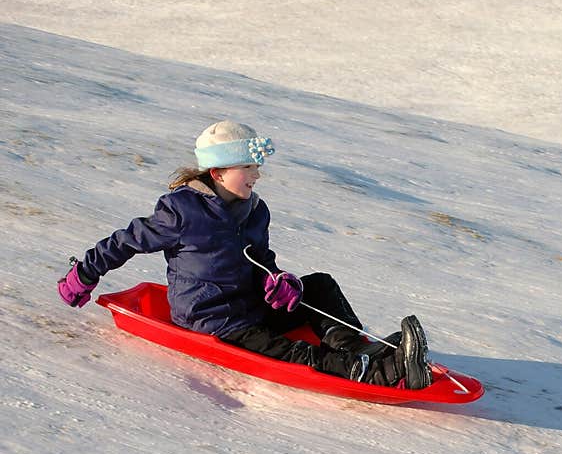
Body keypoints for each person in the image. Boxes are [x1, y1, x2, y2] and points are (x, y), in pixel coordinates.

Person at [56, 120, 432, 389]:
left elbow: (259, 257)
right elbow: (123, 242)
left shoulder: (255, 209)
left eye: (257, 167)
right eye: (248, 167)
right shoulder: (180, 211)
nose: (257, 175)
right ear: (218, 173)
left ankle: (363, 351)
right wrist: (85, 274)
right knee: (286, 351)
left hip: (250, 303)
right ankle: (370, 372)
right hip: (214, 318)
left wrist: (277, 278)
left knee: (319, 286)